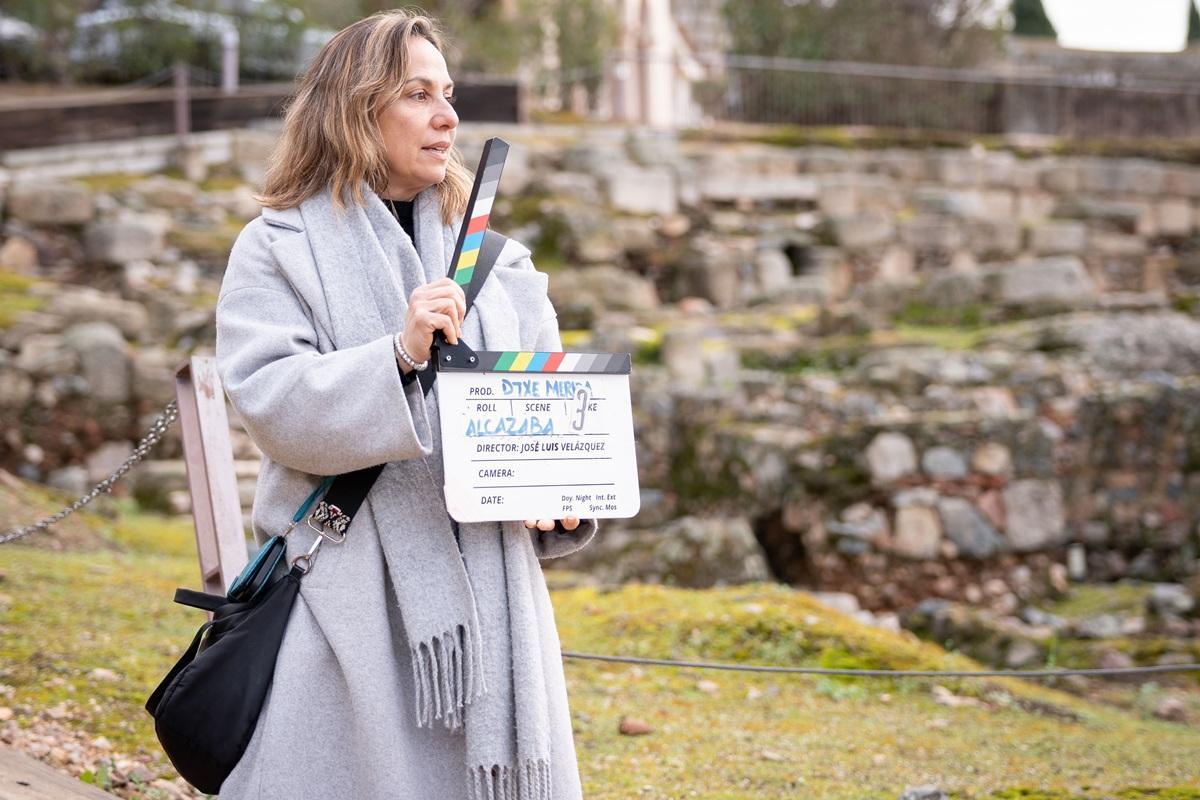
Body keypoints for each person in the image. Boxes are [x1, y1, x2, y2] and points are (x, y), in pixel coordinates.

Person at [213, 10, 595, 800]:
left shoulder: (496, 257)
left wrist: (557, 498)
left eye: (447, 93)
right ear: (356, 109)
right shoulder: (276, 245)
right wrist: (398, 352)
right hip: (345, 593)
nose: (448, 116)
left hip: (493, 600)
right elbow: (272, 404)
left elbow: (546, 405)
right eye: (417, 94)